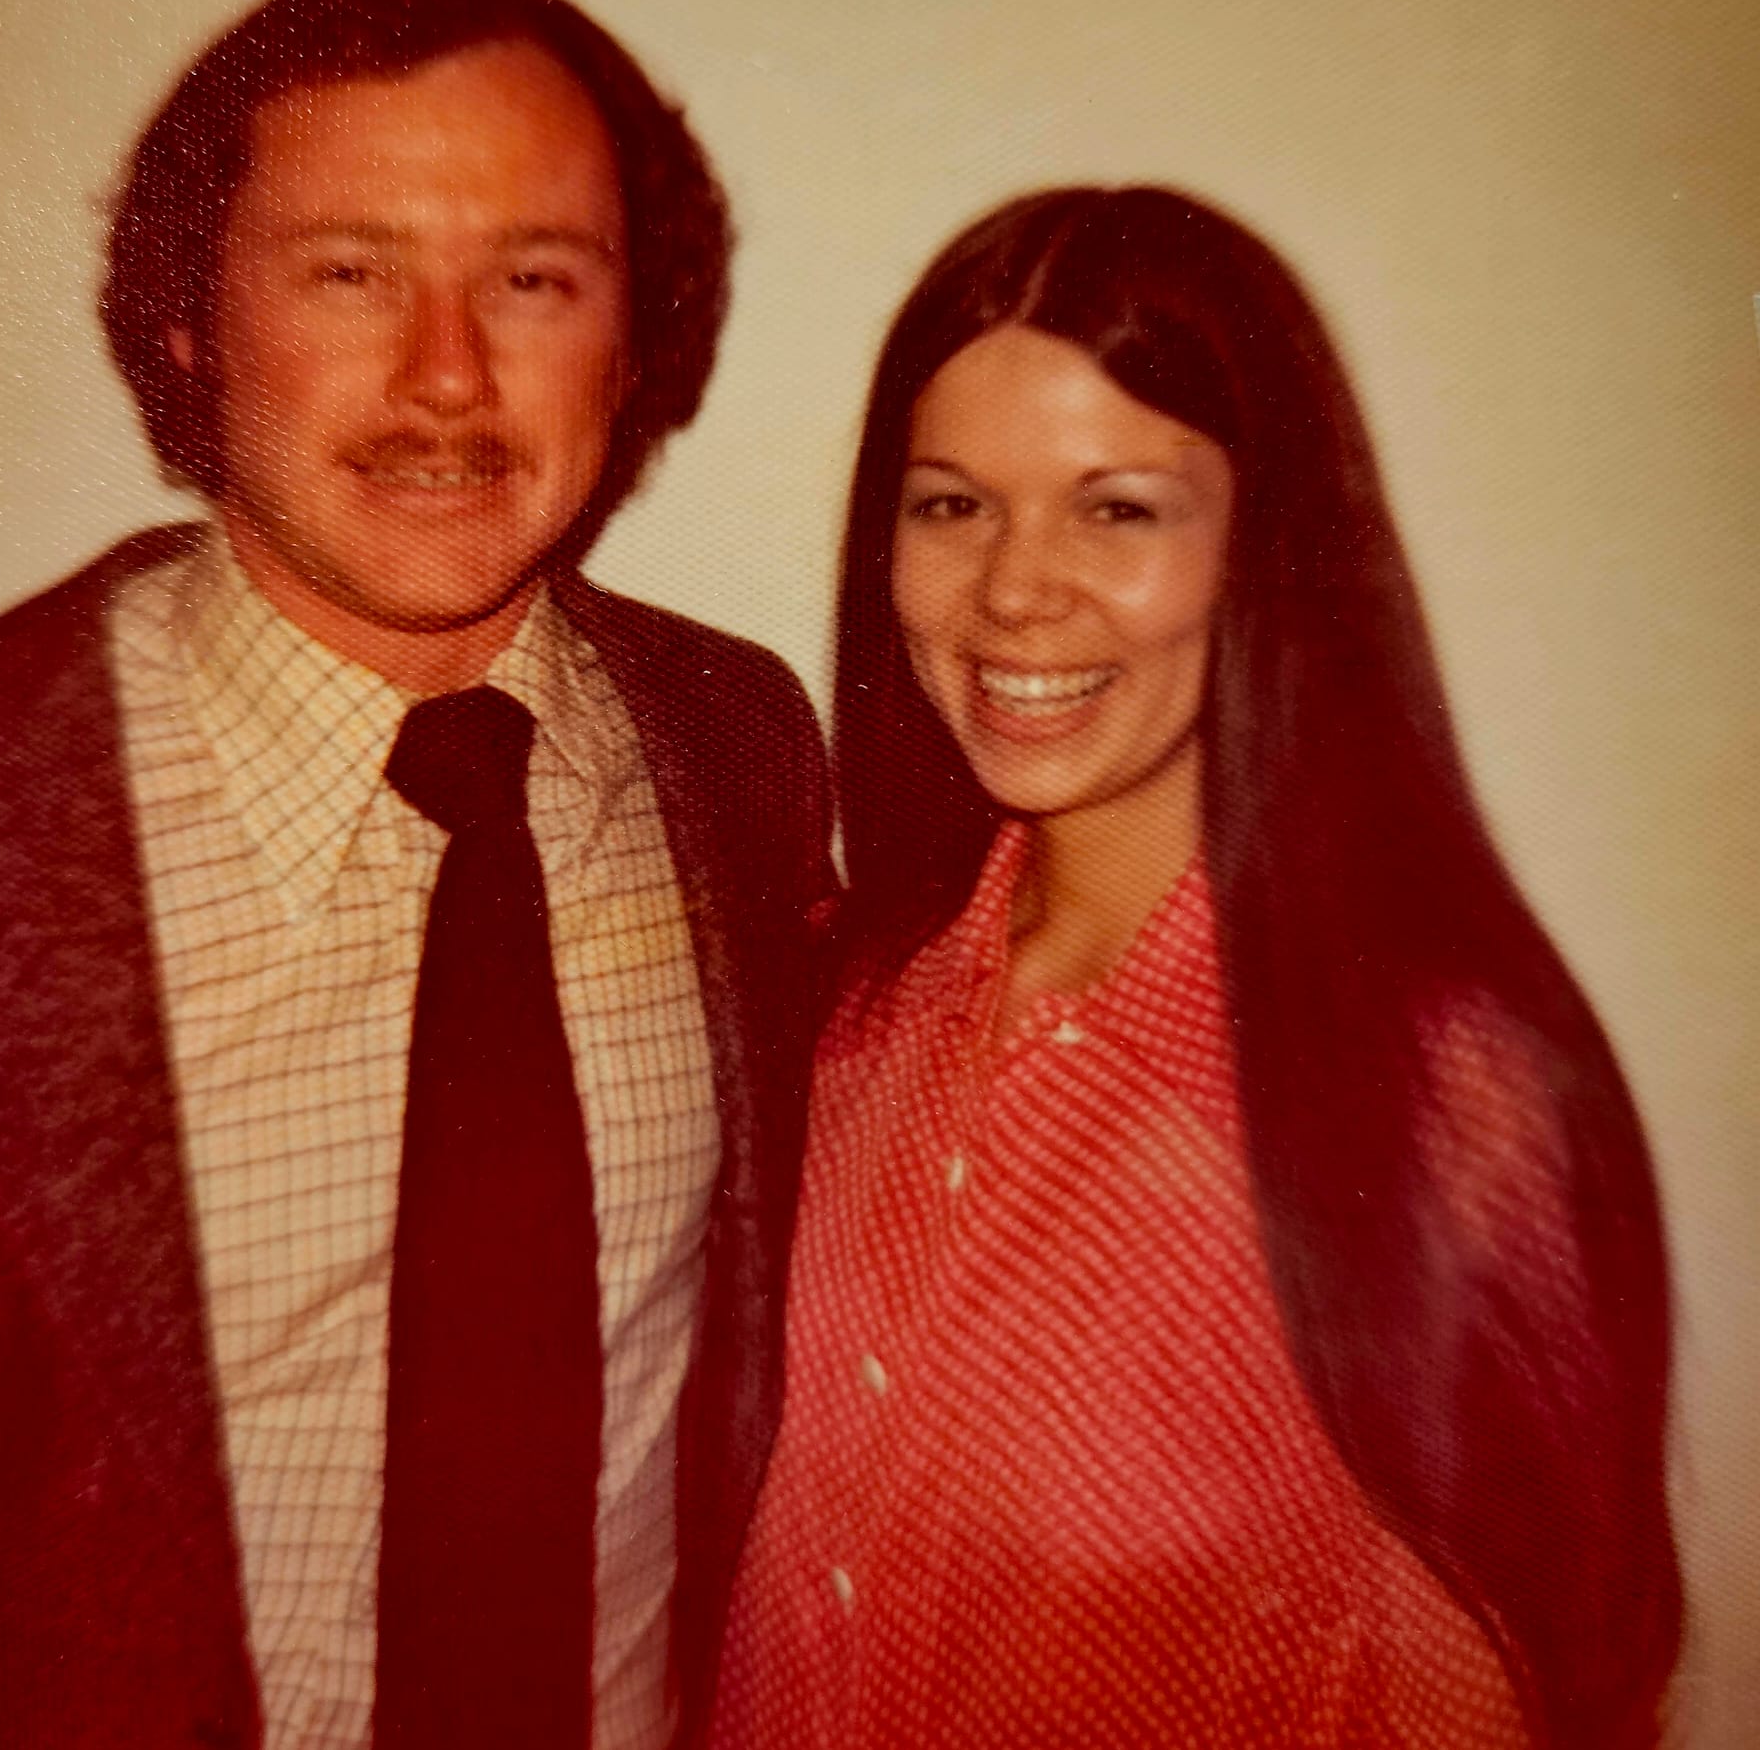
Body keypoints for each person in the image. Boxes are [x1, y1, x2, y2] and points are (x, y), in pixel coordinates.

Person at [0, 0, 834, 1750]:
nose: (448, 377)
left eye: (533, 280)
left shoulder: (739, 744)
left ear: (632, 342)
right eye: (350, 271)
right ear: (187, 318)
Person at [711, 188, 1681, 1748]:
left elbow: (1523, 1690)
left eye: (1118, 510)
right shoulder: (840, 1006)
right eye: (953, 505)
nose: (1016, 587)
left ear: (1265, 549)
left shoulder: (1444, 1104)